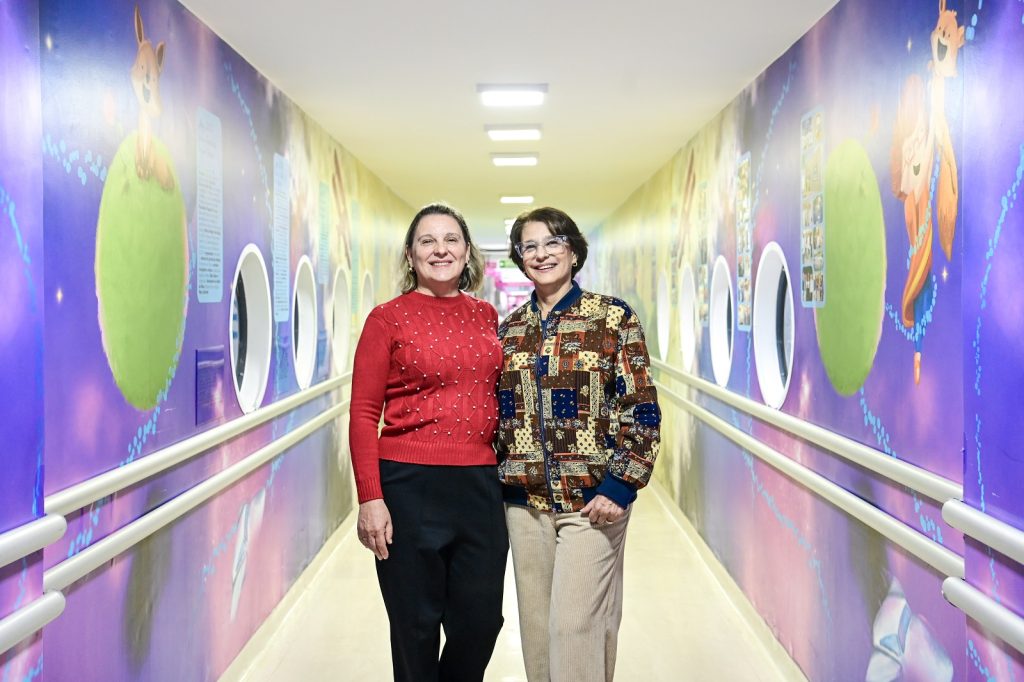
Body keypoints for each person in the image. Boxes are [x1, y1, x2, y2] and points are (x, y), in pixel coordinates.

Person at [496, 206, 661, 682]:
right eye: (529, 246)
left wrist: (621, 485)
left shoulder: (611, 318)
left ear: (573, 251)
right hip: (524, 505)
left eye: (553, 242)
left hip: (592, 503)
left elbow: (641, 409)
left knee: (574, 631)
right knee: (538, 638)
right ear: (519, 258)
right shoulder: (509, 331)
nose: (541, 254)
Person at [349, 203, 507, 682]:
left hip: (480, 485)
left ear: (467, 251)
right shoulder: (386, 319)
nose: (441, 249)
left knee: (481, 621)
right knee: (415, 629)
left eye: (451, 239)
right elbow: (363, 414)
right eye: (427, 241)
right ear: (410, 254)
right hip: (408, 486)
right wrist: (370, 497)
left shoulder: (486, 315)